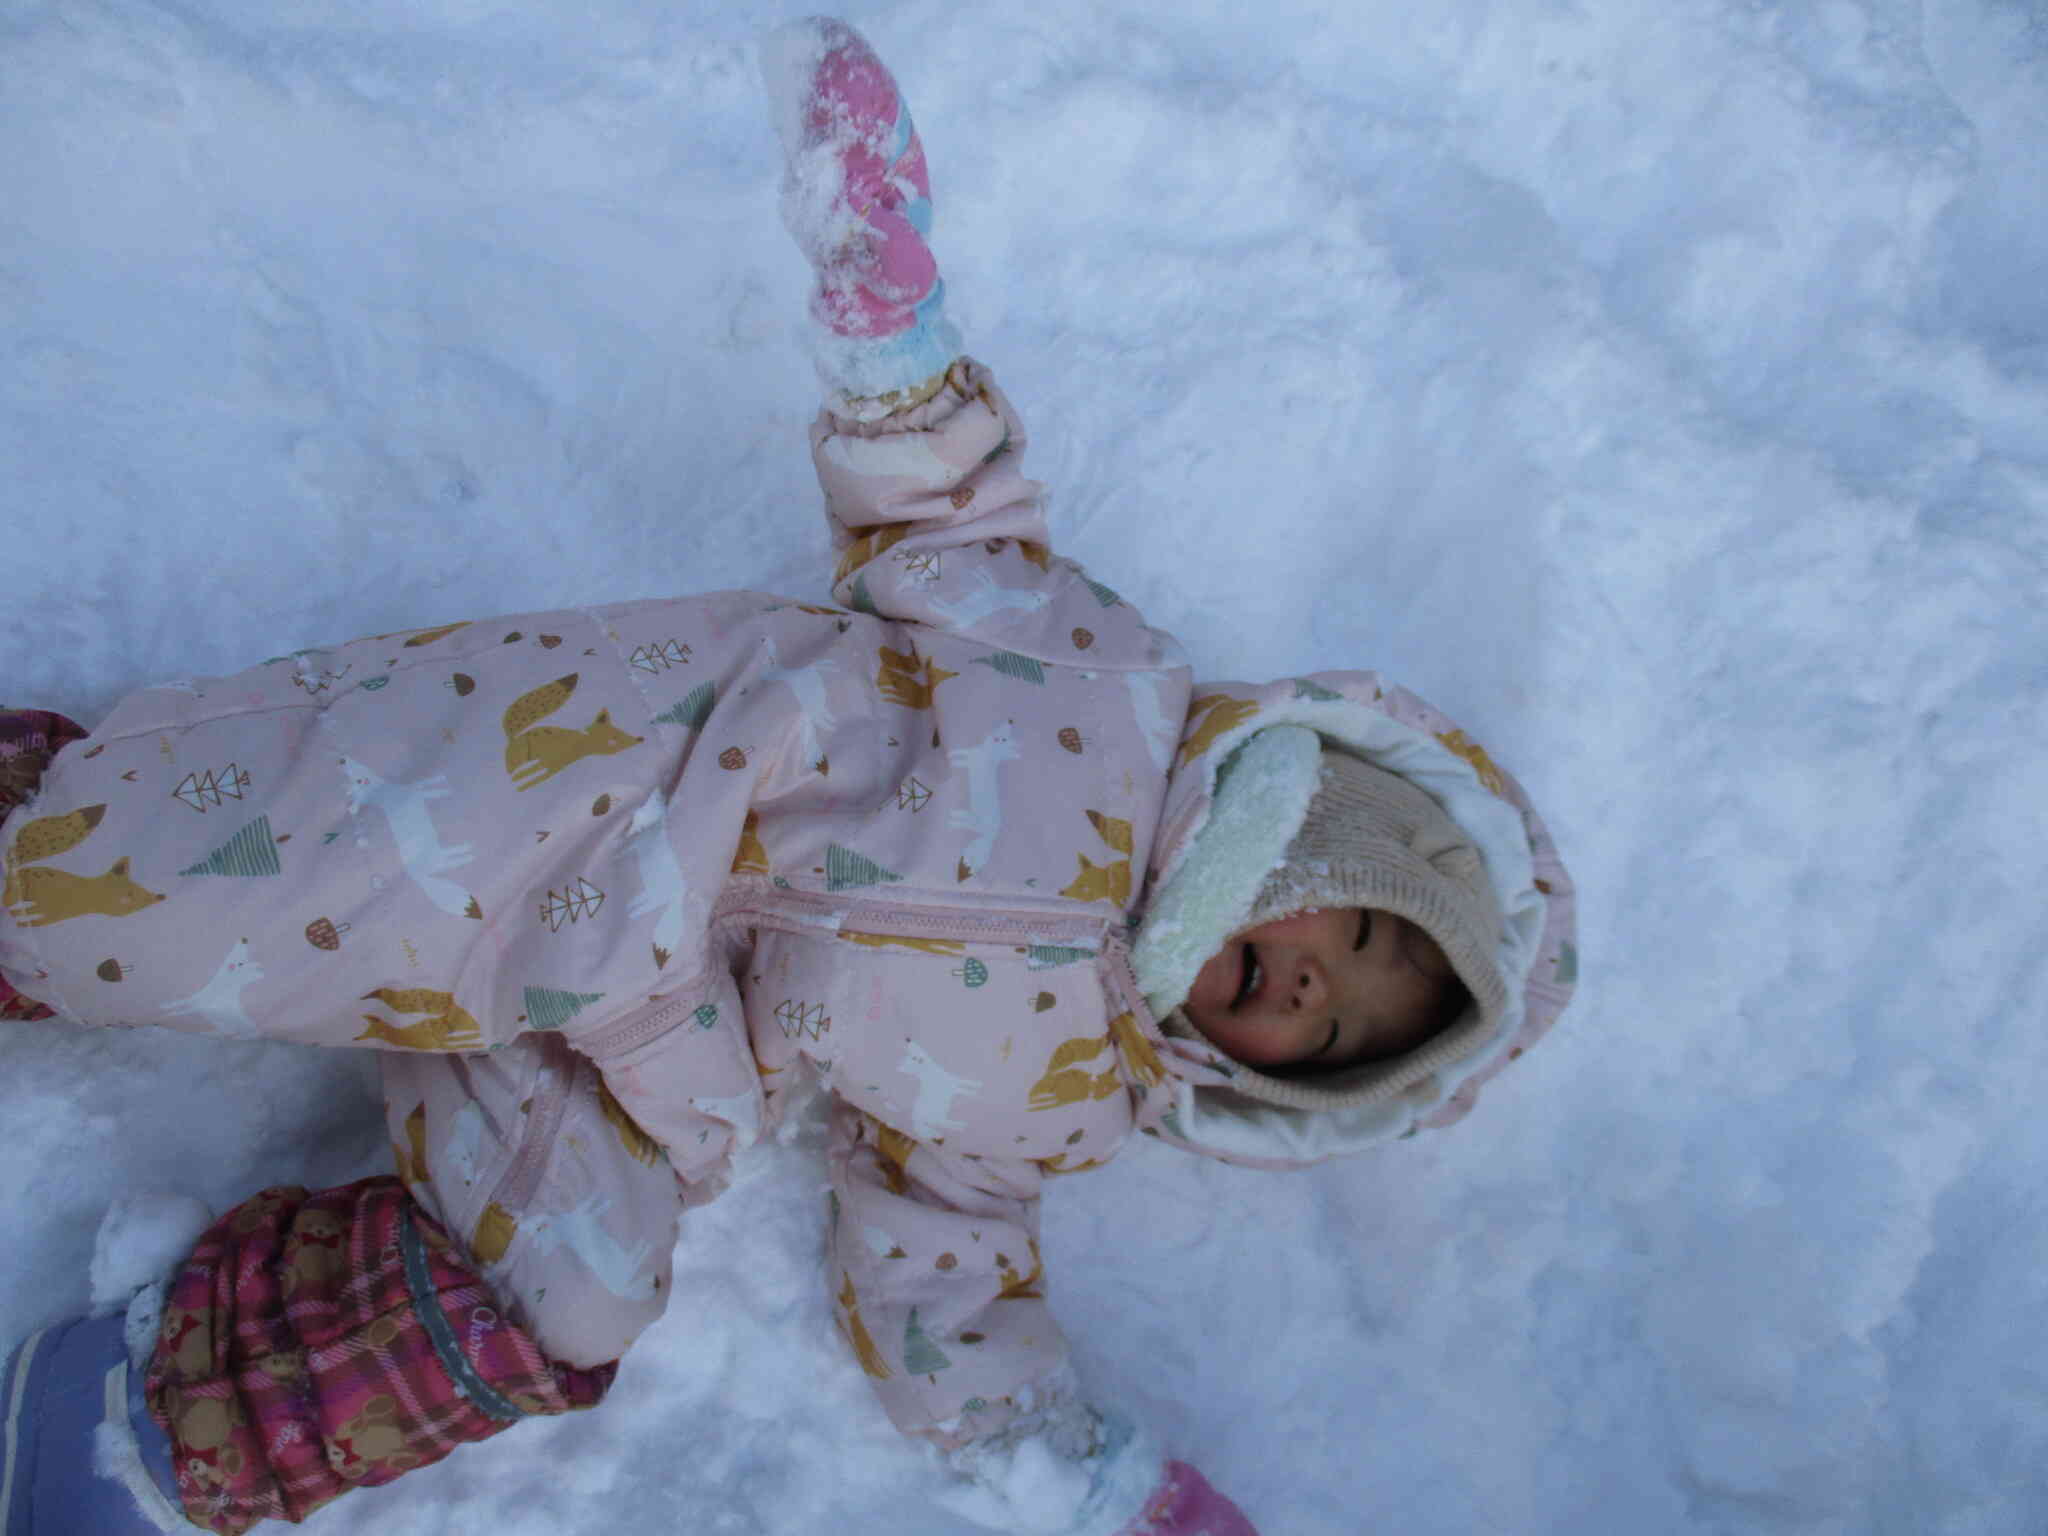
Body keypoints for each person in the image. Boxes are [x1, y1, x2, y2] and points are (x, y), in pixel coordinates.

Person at [0, 18, 1578, 1536]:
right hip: (582, 789)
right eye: (1356, 936)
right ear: (1308, 808)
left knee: (580, 1291)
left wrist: (1083, 1480)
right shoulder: (1097, 686)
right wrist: (889, 315)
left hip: (619, 1046)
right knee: (114, 891)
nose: (1310, 992)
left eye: (1333, 1039)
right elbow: (949, 517)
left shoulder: (1063, 1109)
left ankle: (143, 1419)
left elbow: (941, 1283)